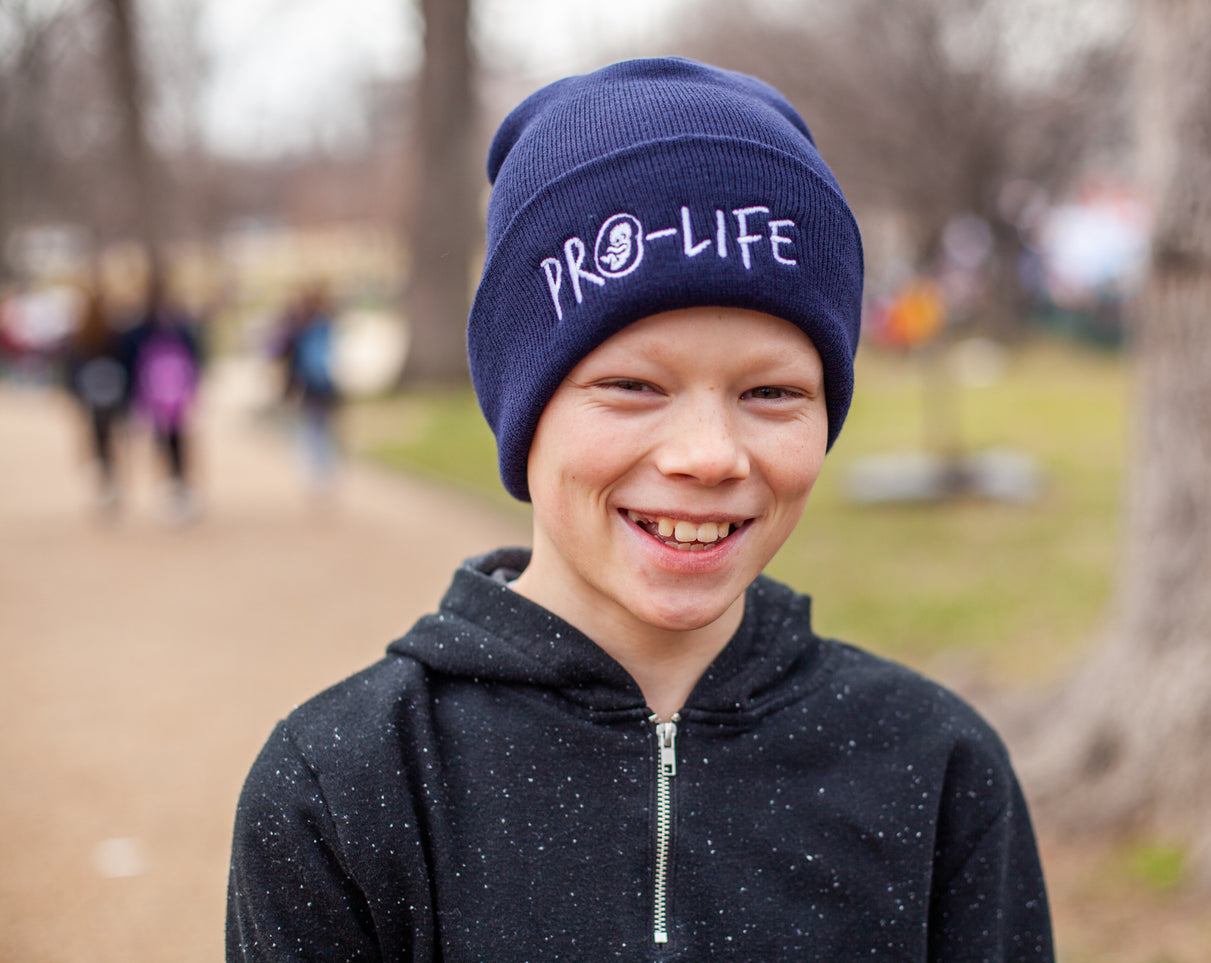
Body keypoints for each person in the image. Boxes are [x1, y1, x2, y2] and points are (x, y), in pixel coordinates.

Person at [227, 58, 1053, 961]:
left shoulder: (936, 769)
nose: (708, 455)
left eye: (772, 392)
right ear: (522, 405)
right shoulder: (345, 784)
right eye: (630, 385)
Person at [123, 275, 203, 524]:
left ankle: (174, 487)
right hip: (172, 394)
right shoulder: (178, 326)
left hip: (157, 395)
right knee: (175, 440)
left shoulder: (142, 328)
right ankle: (177, 487)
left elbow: (131, 361)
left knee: (166, 440)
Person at [60, 287, 130, 515]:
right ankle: (111, 483)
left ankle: (104, 484)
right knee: (113, 439)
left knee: (97, 440)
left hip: (91, 395)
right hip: (113, 394)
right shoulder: (113, 334)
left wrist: (74, 393)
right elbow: (125, 364)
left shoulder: (81, 334)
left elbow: (72, 367)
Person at [271, 283, 343, 495]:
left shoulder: (301, 326)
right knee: (321, 427)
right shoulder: (323, 325)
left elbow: (278, 350)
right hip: (321, 384)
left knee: (312, 427)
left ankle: (317, 470)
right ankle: (323, 469)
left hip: (309, 384)